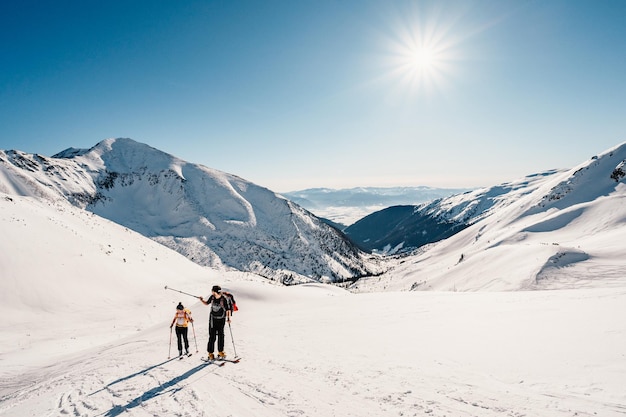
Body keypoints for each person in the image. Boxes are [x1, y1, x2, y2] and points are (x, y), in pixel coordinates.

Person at [198, 285, 231, 360]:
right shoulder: (212, 297)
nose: (212, 292)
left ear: (214, 291)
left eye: (212, 291)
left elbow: (228, 309)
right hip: (213, 320)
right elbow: (207, 303)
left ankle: (220, 351)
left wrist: (228, 318)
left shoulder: (224, 299)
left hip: (221, 319)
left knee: (221, 335)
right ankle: (210, 353)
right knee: (212, 336)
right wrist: (201, 300)